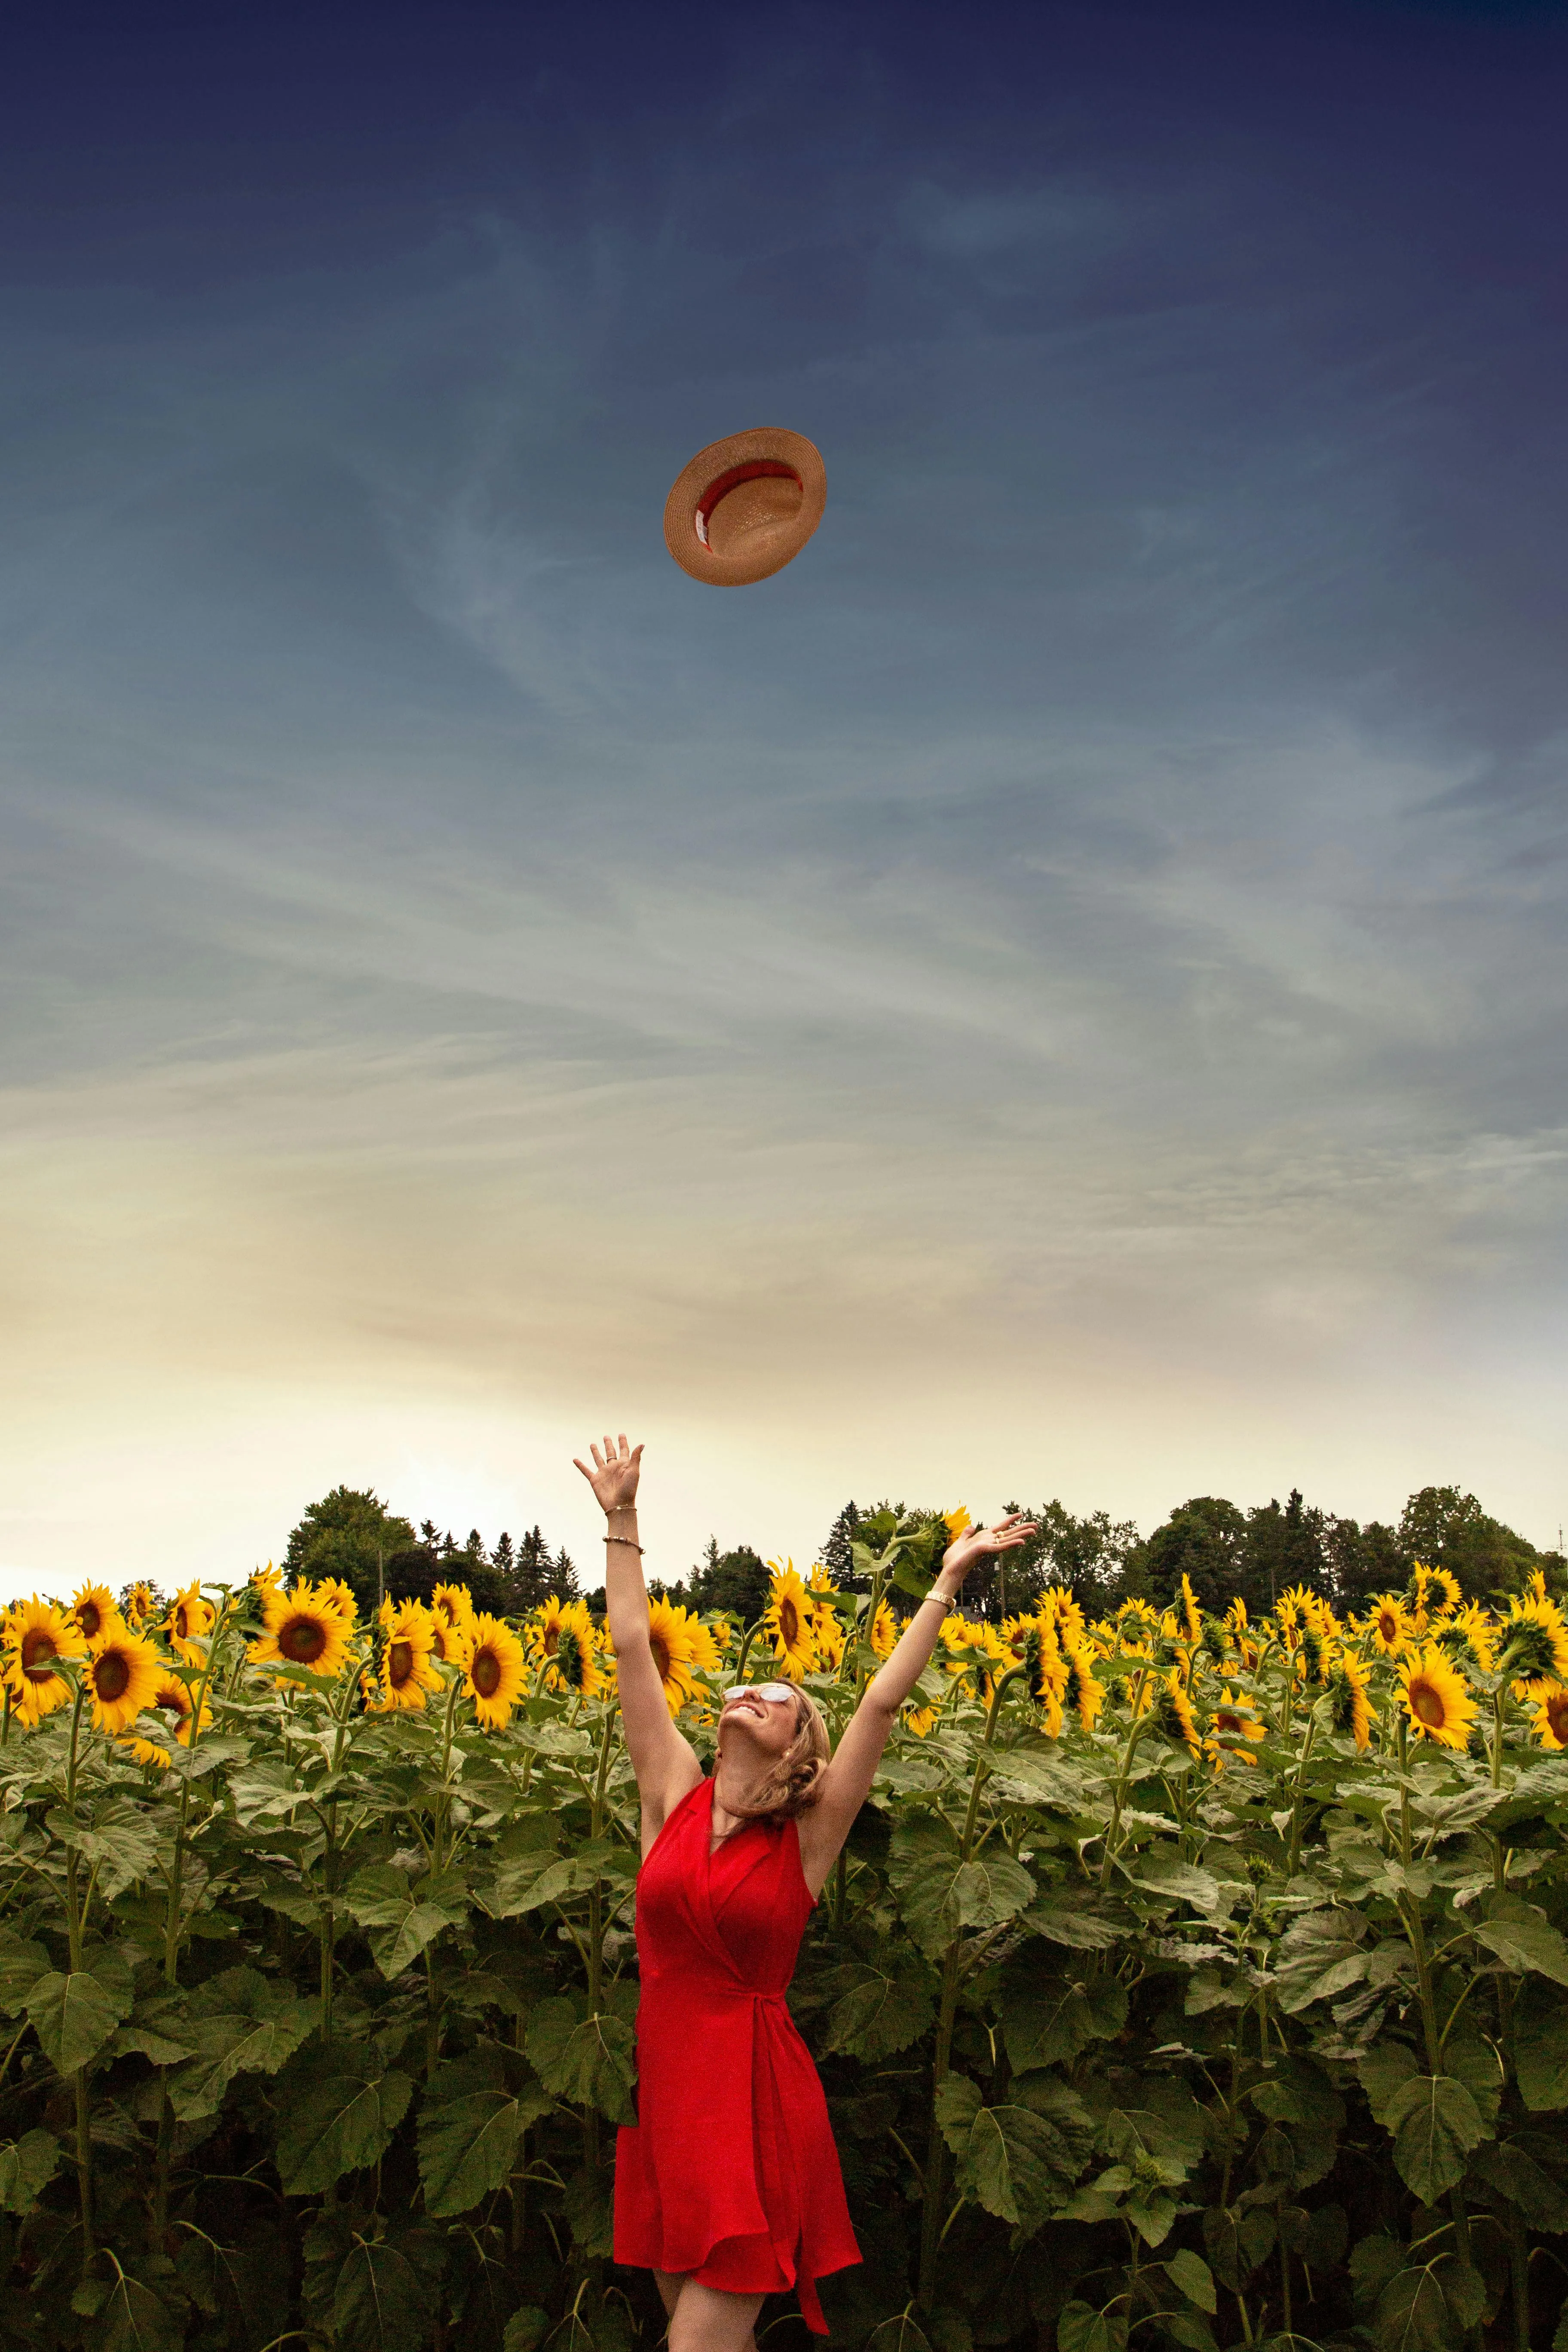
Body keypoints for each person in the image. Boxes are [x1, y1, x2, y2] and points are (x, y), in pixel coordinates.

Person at [573, 1432, 1036, 2352]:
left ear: (800, 1747)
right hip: (667, 2100)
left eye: (776, 1694)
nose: (749, 1690)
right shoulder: (670, 1793)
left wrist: (947, 1581)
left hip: (749, 2106)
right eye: (742, 1685)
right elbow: (632, 1645)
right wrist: (622, 1518)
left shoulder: (807, 1838)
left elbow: (879, 1706)